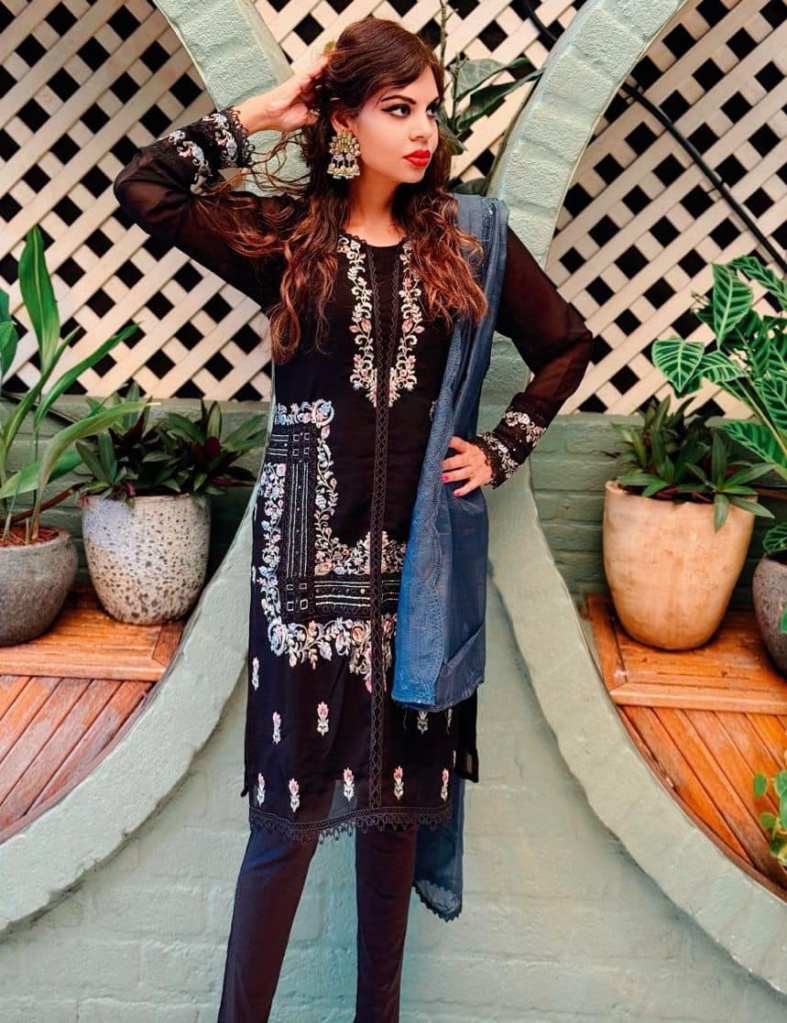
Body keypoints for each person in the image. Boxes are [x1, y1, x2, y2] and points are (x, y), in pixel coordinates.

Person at [112, 15, 594, 1022]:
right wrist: (264, 112)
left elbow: (564, 345)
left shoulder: (467, 237)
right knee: (286, 820)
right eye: (395, 108)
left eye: (430, 109)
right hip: (301, 566)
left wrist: (500, 448)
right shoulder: (290, 237)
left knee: (396, 818)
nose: (422, 130)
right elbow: (148, 189)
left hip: (421, 567)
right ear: (344, 120)